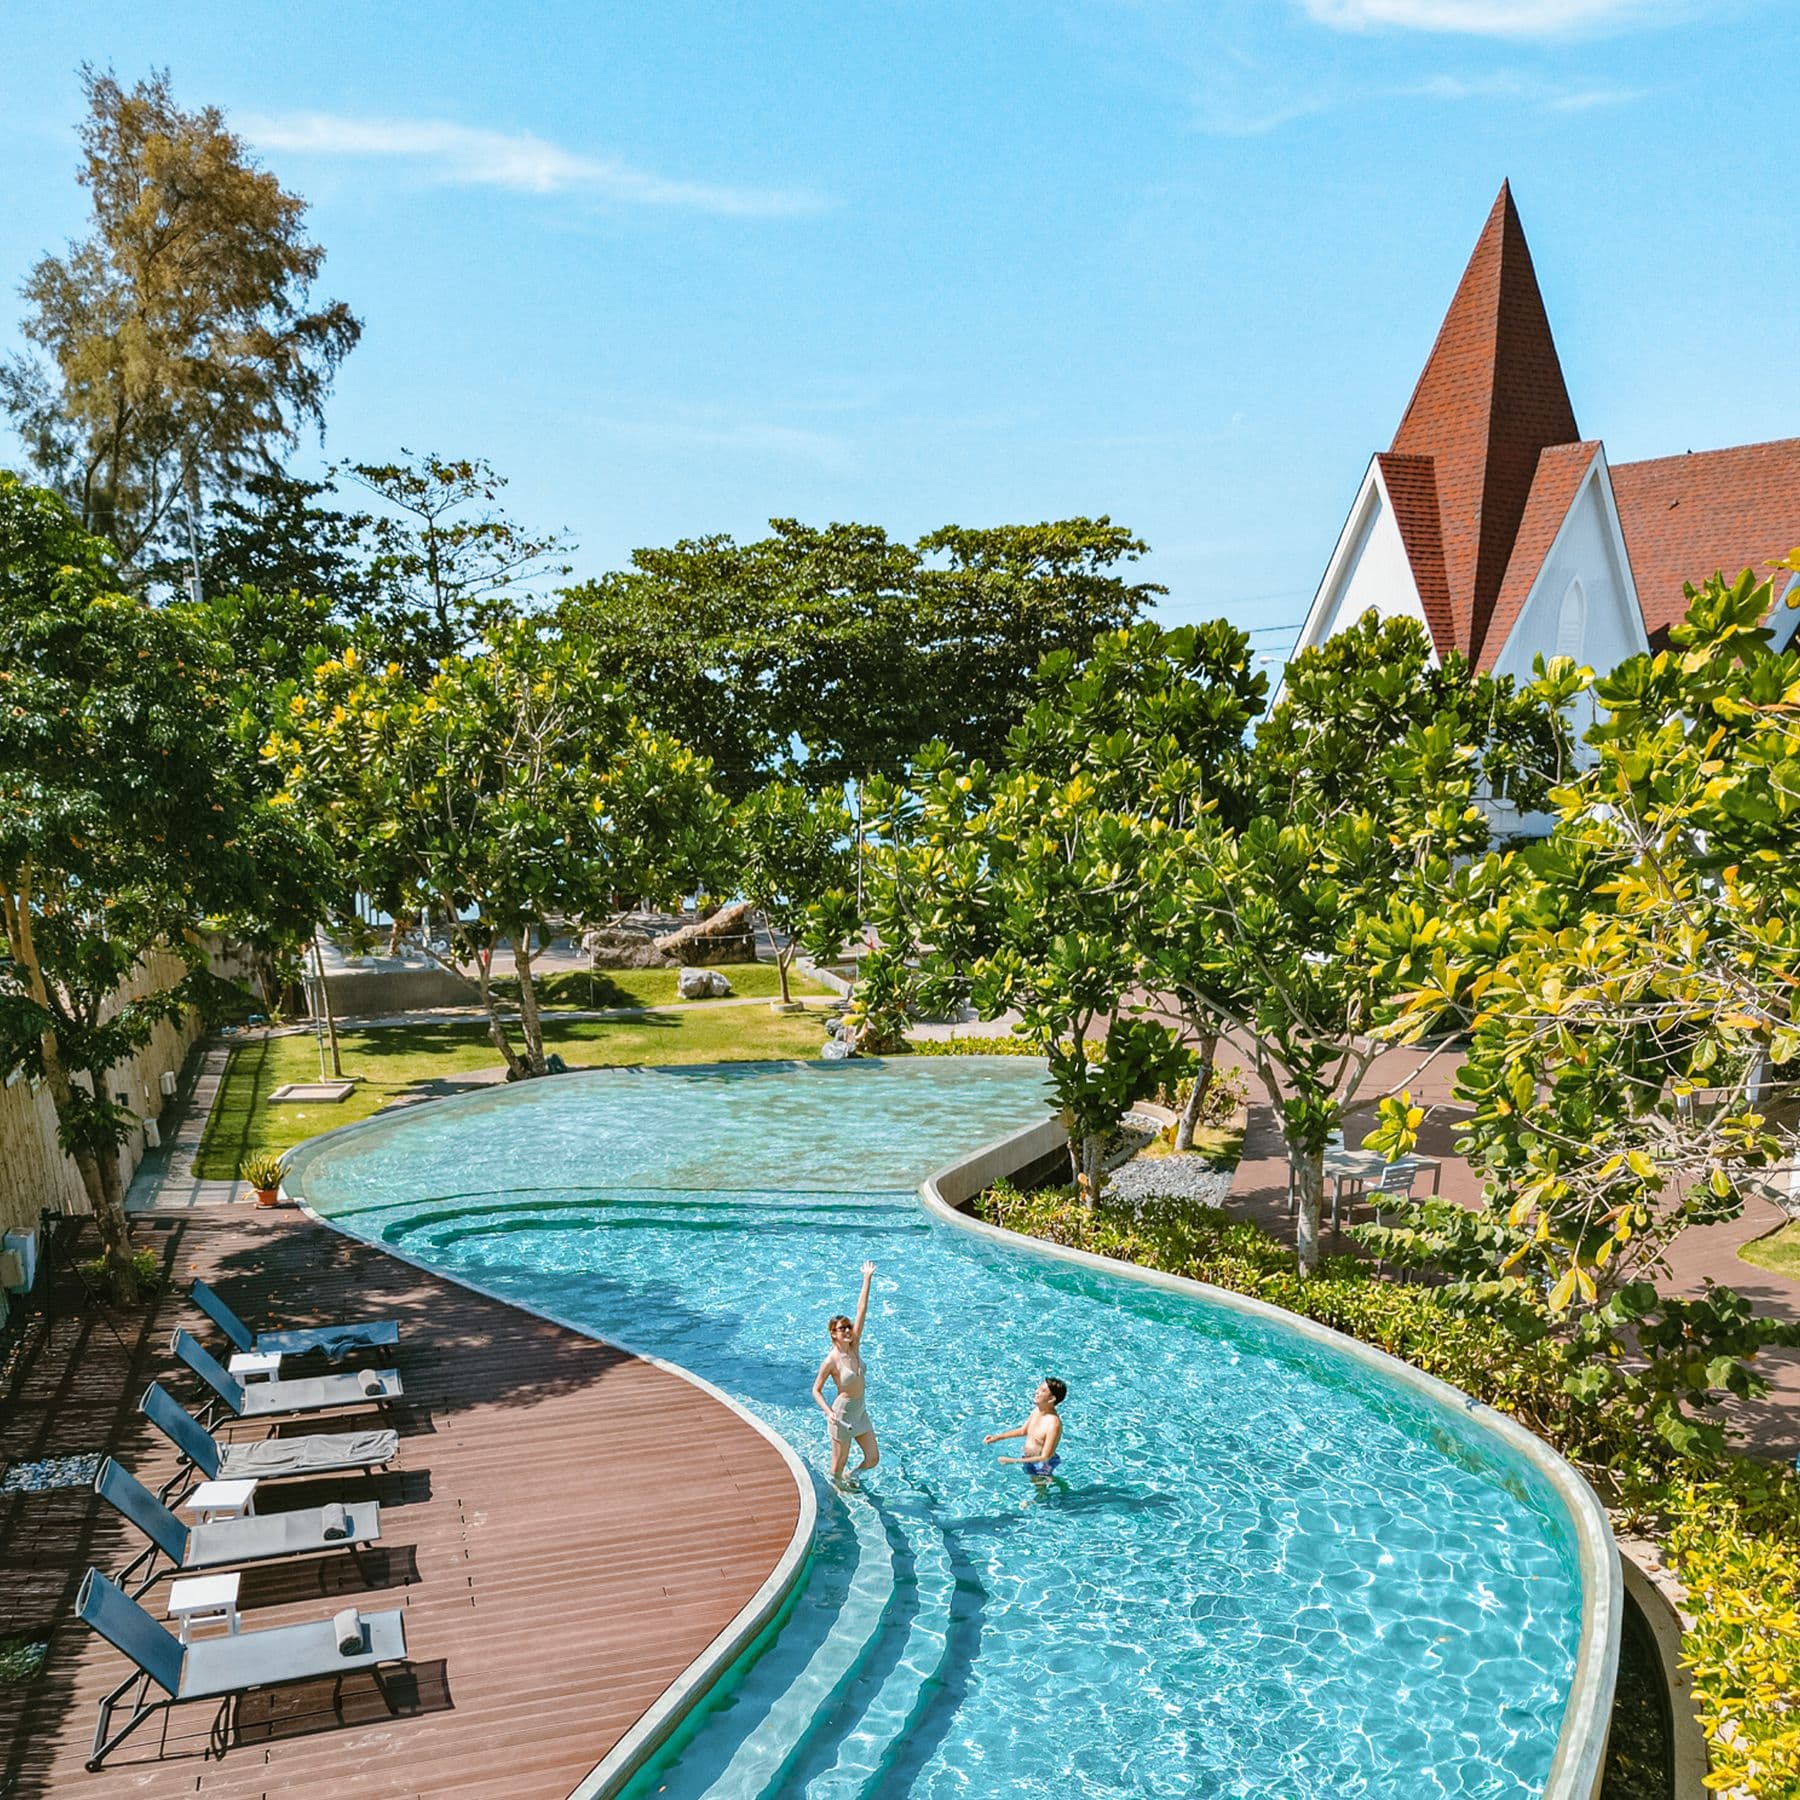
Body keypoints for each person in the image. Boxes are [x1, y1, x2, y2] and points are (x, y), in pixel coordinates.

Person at [813, 1260, 880, 1482]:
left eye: (849, 1327)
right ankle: (835, 1497)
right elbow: (816, 1390)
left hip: (860, 1411)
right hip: (842, 1414)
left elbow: (862, 1310)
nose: (849, 1330)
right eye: (843, 1329)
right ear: (833, 1333)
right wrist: (828, 1412)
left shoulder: (854, 1346)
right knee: (838, 1465)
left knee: (872, 1458)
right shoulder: (830, 1361)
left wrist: (867, 1278)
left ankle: (852, 1477)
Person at [984, 1377, 1067, 1477]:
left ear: (1052, 1399)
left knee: (1041, 1489)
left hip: (1042, 1463)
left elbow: (1046, 1457)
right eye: (1038, 1388)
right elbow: (1023, 1430)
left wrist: (1012, 1461)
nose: (1037, 1392)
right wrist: (997, 1437)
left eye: (1043, 1390)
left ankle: (1064, 1489)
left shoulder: (1053, 1424)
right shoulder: (1037, 1410)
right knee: (1036, 1481)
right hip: (1030, 1459)